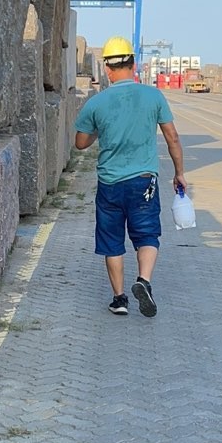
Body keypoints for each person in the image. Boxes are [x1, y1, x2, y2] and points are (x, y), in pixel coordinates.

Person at [74, 36, 187, 318]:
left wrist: (101, 128)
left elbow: (80, 143)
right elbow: (172, 137)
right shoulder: (154, 96)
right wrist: (179, 173)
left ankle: (119, 299)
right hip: (144, 181)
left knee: (112, 240)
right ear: (133, 64)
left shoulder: (97, 103)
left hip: (110, 184)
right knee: (147, 233)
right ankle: (144, 281)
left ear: (107, 69)